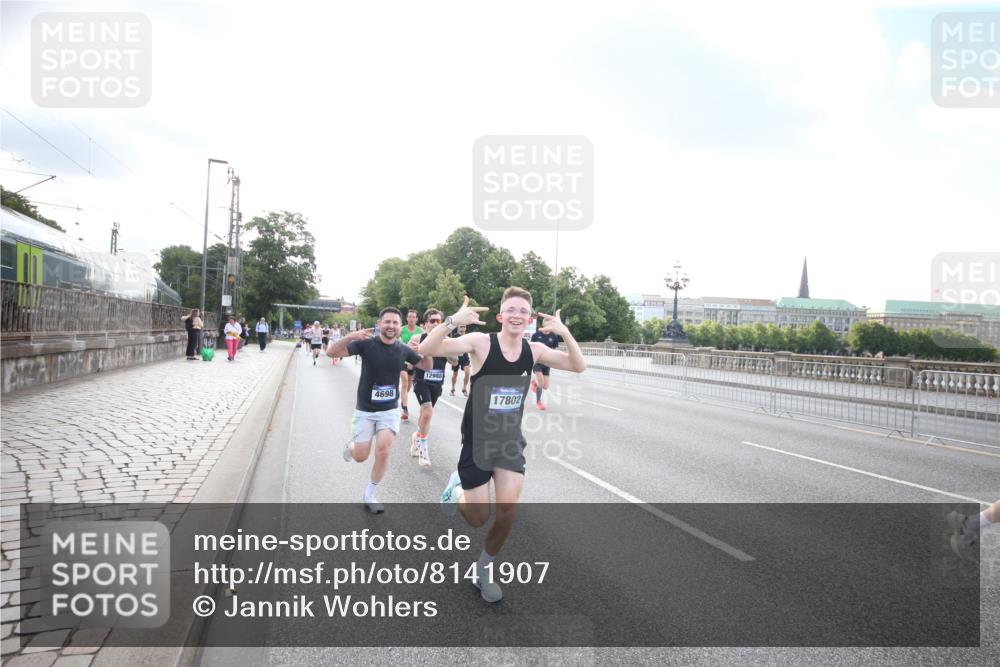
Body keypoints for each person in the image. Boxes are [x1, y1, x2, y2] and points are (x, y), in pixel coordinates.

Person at [418, 288, 586, 602]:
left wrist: (565, 334)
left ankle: (484, 570)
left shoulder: (533, 350)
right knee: (478, 517)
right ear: (500, 316)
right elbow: (428, 348)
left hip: (509, 442)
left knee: (508, 509)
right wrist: (452, 320)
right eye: (511, 309)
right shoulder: (481, 343)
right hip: (478, 442)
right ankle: (456, 490)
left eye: (523, 310)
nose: (517, 315)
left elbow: (578, 366)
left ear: (530, 318)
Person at [327, 307, 427, 513]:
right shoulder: (366, 344)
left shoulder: (403, 349)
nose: (391, 326)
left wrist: (425, 349)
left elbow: (426, 365)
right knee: (361, 456)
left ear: (400, 327)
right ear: (380, 324)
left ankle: (370, 494)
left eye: (395, 323)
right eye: (387, 322)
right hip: (365, 410)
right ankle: (352, 447)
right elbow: (331, 352)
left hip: (389, 411)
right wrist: (351, 336)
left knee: (383, 450)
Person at [409, 309, 448, 468]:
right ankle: (424, 452)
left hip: (437, 383)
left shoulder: (447, 340)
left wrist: (448, 350)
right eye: (432, 321)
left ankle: (417, 438)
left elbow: (453, 362)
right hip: (421, 380)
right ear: (425, 324)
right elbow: (406, 355)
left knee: (426, 416)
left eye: (439, 321)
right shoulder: (418, 338)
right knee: (427, 412)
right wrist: (415, 351)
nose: (435, 324)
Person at [530, 323, 563, 410]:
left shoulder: (554, 336)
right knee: (541, 382)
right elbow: (531, 348)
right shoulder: (536, 335)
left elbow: (554, 350)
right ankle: (538, 402)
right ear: (544, 324)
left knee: (545, 386)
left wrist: (555, 361)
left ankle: (534, 382)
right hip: (537, 362)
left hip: (547, 363)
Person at [399, 309, 422, 421]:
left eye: (413, 317)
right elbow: (395, 341)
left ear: (416, 319)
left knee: (408, 386)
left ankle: (403, 400)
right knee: (405, 383)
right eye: (410, 317)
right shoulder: (401, 330)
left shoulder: (420, 331)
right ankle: (405, 408)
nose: (411, 319)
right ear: (407, 318)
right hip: (403, 360)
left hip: (414, 361)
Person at [449, 324, 471, 396]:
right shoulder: (455, 336)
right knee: (455, 374)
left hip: (465, 357)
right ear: (458, 328)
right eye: (461, 327)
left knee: (467, 373)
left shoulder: (468, 337)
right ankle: (452, 388)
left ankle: (464, 389)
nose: (462, 328)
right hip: (456, 357)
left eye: (464, 327)